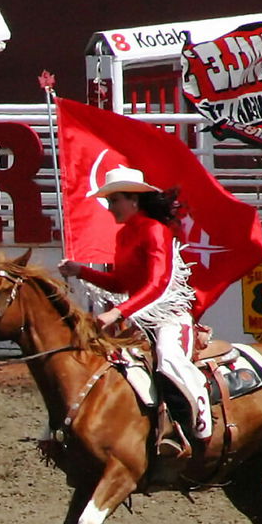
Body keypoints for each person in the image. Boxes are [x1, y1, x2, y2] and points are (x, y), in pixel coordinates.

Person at [58, 167, 210, 458]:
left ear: (134, 201)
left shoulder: (155, 230)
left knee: (168, 358)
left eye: (115, 200)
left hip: (168, 317)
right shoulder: (124, 235)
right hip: (137, 317)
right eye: (110, 200)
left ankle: (198, 425)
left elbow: (159, 283)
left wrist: (117, 313)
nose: (110, 206)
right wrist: (82, 271)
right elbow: (121, 283)